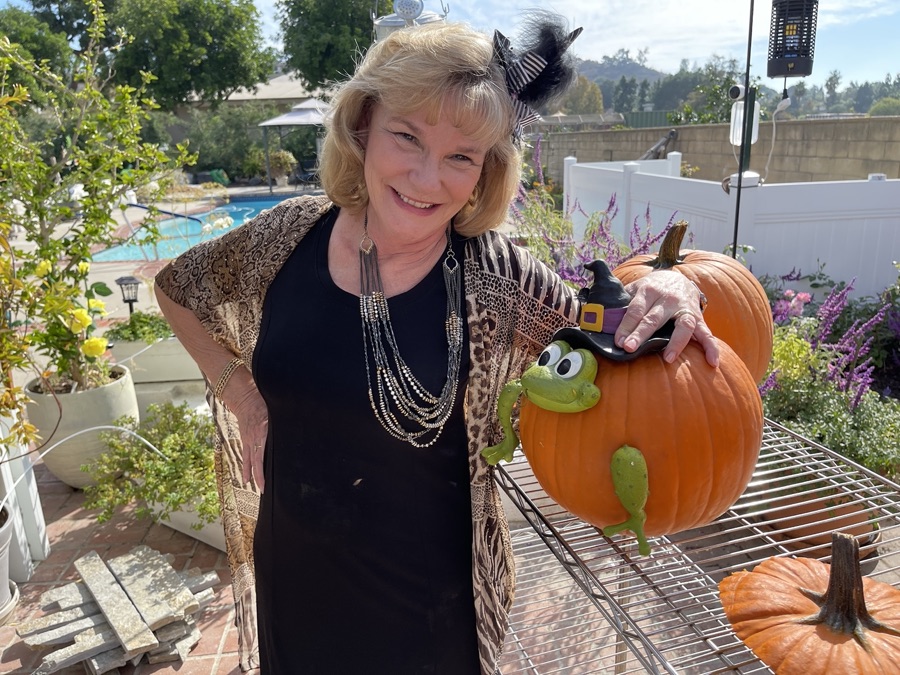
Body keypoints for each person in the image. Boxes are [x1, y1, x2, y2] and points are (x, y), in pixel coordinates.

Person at [155, 12, 718, 674]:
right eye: (407, 137)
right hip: (295, 589)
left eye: (461, 156)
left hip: (427, 622)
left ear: (485, 172)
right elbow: (177, 289)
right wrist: (243, 394)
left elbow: (608, 338)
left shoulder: (499, 280)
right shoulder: (286, 237)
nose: (428, 179)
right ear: (363, 125)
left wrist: (676, 285)